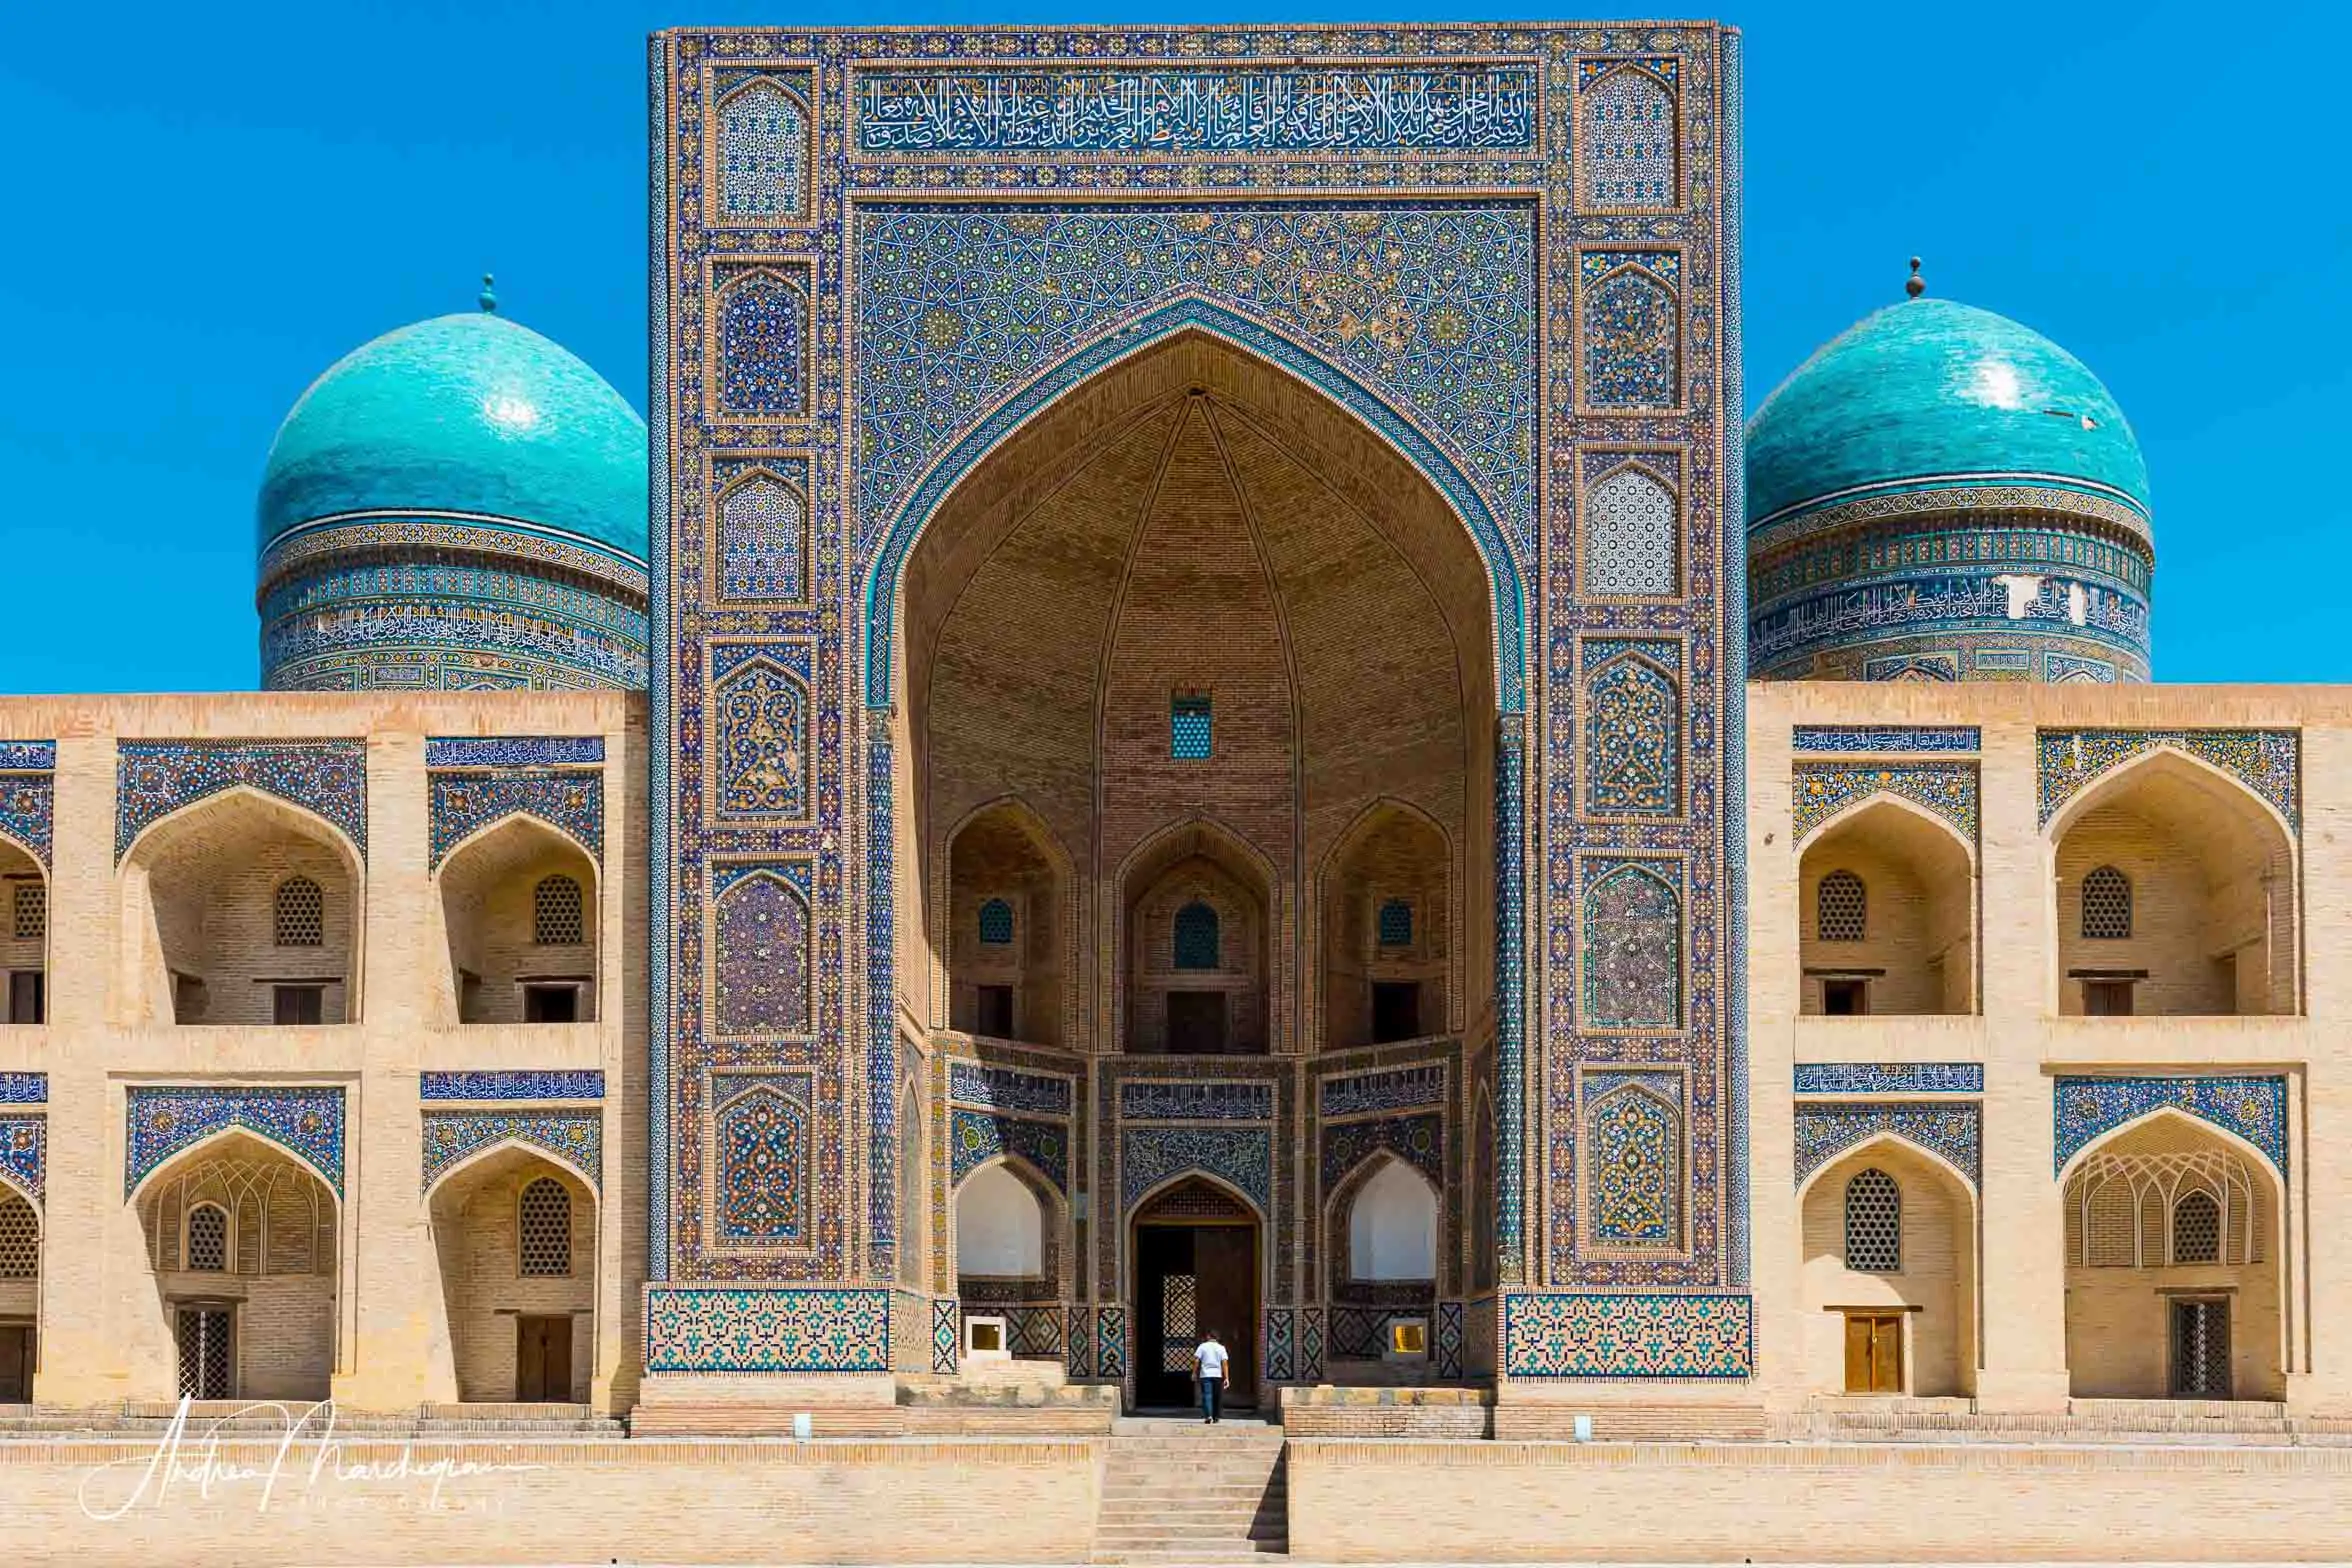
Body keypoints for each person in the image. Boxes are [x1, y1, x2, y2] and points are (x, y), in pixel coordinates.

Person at [1194, 1329, 1229, 1424]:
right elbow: (1224, 1363)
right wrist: (1226, 1378)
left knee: (1207, 1395)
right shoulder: (1221, 1348)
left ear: (1208, 1336)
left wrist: (1194, 1373)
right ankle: (1216, 1417)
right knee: (1217, 1396)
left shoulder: (1202, 1346)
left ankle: (1208, 1416)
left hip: (1205, 1374)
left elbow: (1197, 1360)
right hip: (1217, 1375)